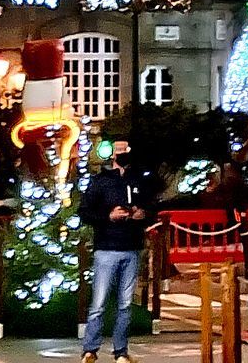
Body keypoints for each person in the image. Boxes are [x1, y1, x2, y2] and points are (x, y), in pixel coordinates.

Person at [80, 140, 151, 363]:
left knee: (125, 304)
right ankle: (90, 349)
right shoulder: (100, 181)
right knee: (99, 303)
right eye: (119, 151)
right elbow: (84, 212)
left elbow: (152, 208)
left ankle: (121, 351)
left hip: (131, 247)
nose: (123, 154)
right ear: (112, 155)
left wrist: (142, 214)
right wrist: (108, 217)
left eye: (126, 150)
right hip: (106, 248)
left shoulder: (138, 179)